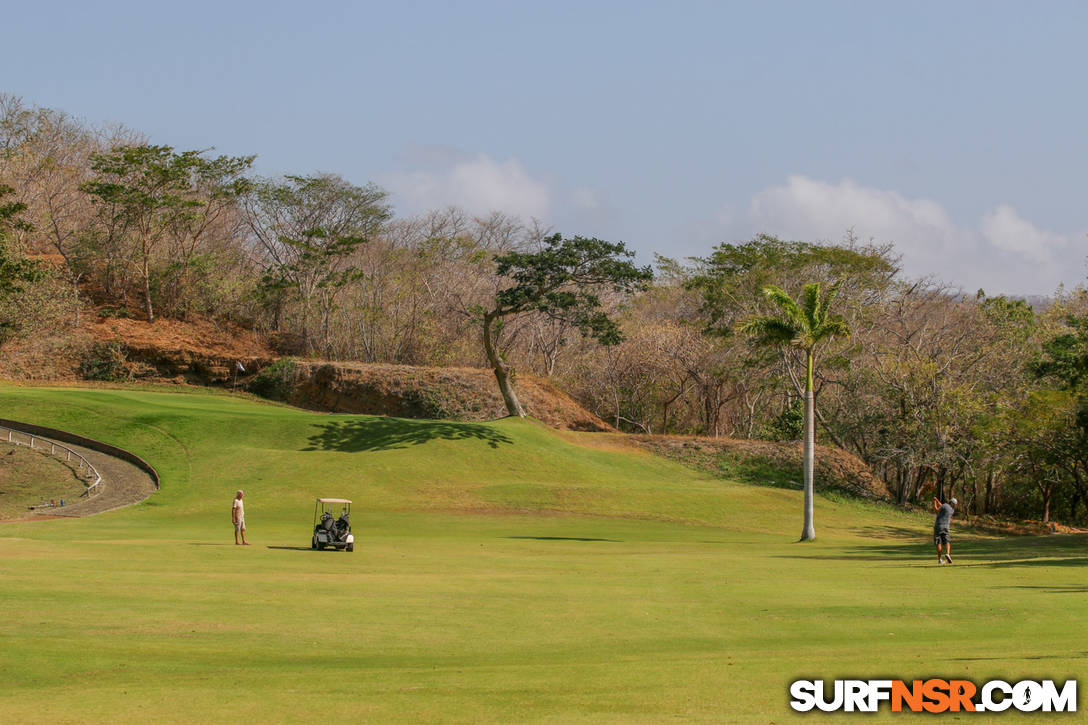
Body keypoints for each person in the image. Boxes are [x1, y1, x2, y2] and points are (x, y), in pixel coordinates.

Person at [933, 496, 956, 564]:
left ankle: (940, 559)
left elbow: (936, 510)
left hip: (938, 526)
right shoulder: (952, 510)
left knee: (938, 543)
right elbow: (942, 506)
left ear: (950, 501)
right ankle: (948, 554)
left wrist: (934, 502)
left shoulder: (945, 505)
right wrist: (937, 500)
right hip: (946, 527)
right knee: (947, 542)